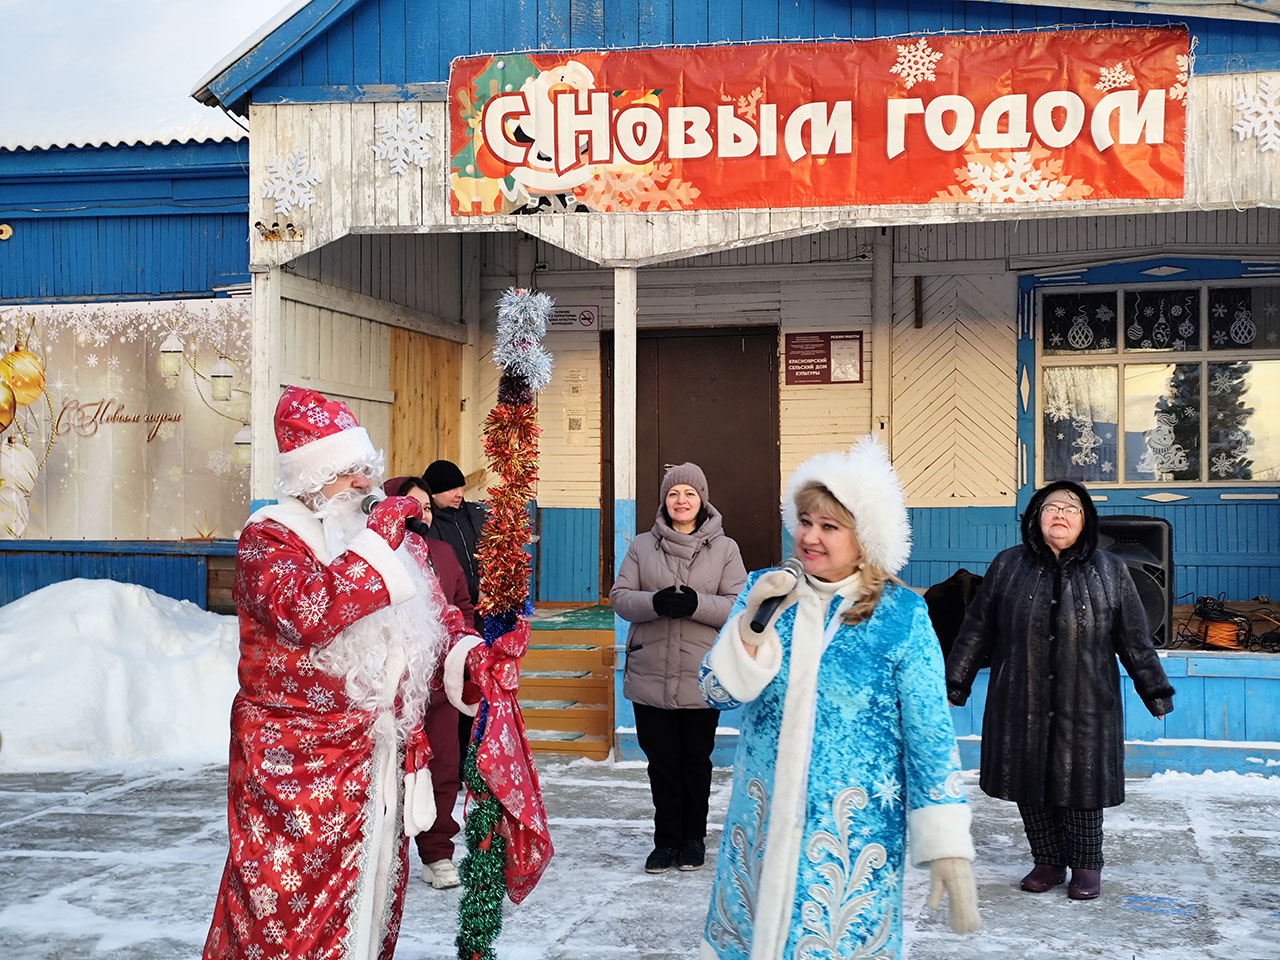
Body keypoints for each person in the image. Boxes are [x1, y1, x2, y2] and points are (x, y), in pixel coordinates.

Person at [203, 387, 486, 960]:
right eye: (344, 472)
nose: (363, 483)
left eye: (366, 469)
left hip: (376, 760)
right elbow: (307, 613)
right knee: (287, 909)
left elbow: (436, 621)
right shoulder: (269, 538)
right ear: (308, 481)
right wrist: (380, 541)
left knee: (370, 896)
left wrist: (471, 656)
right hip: (295, 768)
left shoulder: (382, 543)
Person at [697, 437, 980, 960]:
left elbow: (929, 734)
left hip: (848, 843)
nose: (809, 536)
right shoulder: (766, 591)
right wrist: (751, 627)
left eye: (829, 526)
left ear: (864, 537)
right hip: (760, 829)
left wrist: (946, 845)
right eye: (805, 521)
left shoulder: (900, 615)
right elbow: (715, 691)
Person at [946, 480, 1174, 901]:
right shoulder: (1007, 565)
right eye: (1052, 508)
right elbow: (977, 629)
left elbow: (1134, 638)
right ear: (1036, 517)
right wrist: (955, 683)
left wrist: (1155, 691)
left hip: (1087, 698)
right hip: (1021, 694)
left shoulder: (1110, 569)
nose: (1061, 515)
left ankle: (1087, 863)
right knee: (1028, 779)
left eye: (1072, 509)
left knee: (1082, 783)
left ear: (1085, 521)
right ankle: (1047, 860)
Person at [611, 463, 747, 875]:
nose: (681, 500)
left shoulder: (725, 549)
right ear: (664, 500)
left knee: (695, 762)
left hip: (699, 675)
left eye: (689, 493)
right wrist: (654, 602)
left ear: (702, 500)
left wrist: (696, 605)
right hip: (650, 672)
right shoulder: (642, 546)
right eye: (673, 493)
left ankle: (693, 840)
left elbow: (740, 604)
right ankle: (666, 840)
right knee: (662, 763)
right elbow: (620, 596)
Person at [384, 475, 473, 890]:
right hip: (385, 694)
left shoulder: (442, 553)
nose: (420, 515)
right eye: (410, 507)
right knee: (386, 775)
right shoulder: (370, 559)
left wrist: (458, 650)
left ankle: (437, 853)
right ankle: (384, 854)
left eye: (425, 508)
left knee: (443, 769)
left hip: (436, 688)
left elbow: (462, 607)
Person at [422, 458, 487, 620]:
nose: (459, 494)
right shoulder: (425, 523)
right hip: (447, 610)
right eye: (451, 489)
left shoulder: (475, 514)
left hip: (483, 607)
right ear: (433, 494)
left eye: (461, 487)